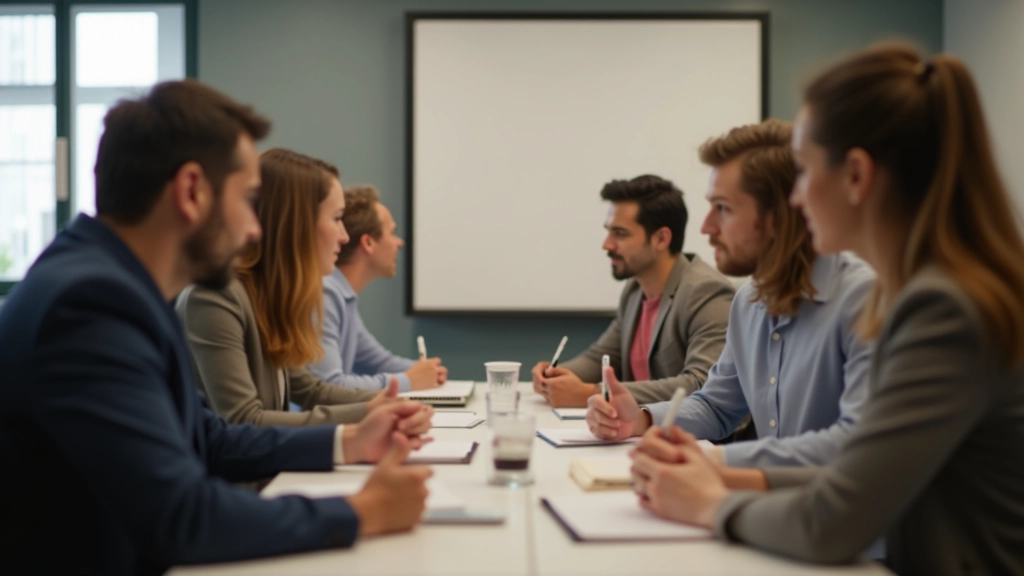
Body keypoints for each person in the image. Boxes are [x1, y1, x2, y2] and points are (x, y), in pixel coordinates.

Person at [0, 80, 433, 574]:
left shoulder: (118, 284)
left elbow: (208, 436)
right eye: (248, 200)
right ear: (191, 192)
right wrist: (361, 511)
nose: (255, 229)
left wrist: (349, 442)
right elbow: (182, 517)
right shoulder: (90, 305)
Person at [628, 44, 1024, 574]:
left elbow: (835, 518)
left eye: (807, 174)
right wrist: (714, 476)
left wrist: (709, 501)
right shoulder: (928, 292)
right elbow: (860, 473)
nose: (796, 200)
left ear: (857, 176)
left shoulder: (941, 308)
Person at [586, 120, 875, 467]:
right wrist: (641, 419)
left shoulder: (864, 299)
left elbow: (855, 444)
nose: (706, 227)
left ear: (781, 215)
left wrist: (716, 465)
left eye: (723, 208)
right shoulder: (749, 300)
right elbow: (717, 405)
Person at [177, 149, 401, 426]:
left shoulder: (268, 295)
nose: (344, 236)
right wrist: (370, 412)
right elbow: (244, 420)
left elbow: (309, 389)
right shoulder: (216, 297)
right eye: (336, 218)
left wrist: (389, 402)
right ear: (298, 225)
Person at [531, 175, 735, 408]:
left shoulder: (706, 292)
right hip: (636, 432)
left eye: (620, 233)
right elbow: (603, 356)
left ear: (661, 238)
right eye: (609, 231)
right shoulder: (635, 289)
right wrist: (556, 374)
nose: (607, 244)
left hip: (691, 439)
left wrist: (596, 392)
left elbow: (701, 383)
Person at [308, 184, 446, 391]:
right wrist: (408, 380)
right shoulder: (326, 293)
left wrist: (423, 370)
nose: (399, 243)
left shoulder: (342, 295)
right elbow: (331, 384)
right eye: (392, 233)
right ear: (369, 243)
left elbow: (375, 361)